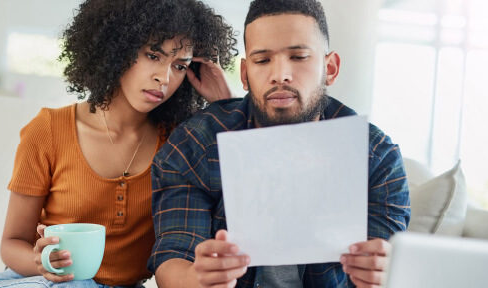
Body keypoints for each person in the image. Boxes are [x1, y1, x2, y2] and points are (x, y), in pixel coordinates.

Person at [148, 0, 410, 287]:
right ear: (245, 75)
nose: (280, 75)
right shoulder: (196, 144)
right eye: (263, 60)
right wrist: (199, 278)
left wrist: (383, 273)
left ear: (330, 68)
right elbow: (172, 263)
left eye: (298, 57)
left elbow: (386, 266)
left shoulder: (376, 156)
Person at [0, 0, 237, 287]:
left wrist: (224, 105)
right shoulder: (48, 131)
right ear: (118, 47)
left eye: (180, 66)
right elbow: (12, 242)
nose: (164, 78)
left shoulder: (180, 141)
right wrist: (42, 262)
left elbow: (244, 183)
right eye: (153, 55)